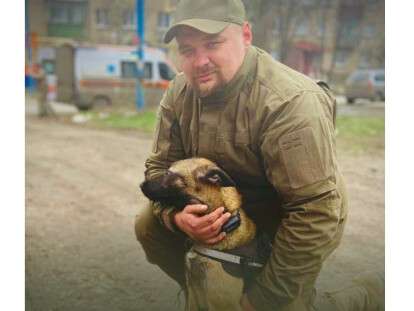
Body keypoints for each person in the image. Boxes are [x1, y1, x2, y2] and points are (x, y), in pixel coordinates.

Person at [135, 0, 384, 310]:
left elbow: (316, 210)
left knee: (275, 302)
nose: (199, 62)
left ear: (246, 35)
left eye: (213, 44)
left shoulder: (289, 102)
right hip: (231, 210)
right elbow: (158, 168)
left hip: (290, 212)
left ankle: (363, 297)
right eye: (187, 50)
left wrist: (260, 301)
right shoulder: (179, 92)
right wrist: (175, 218)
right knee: (149, 225)